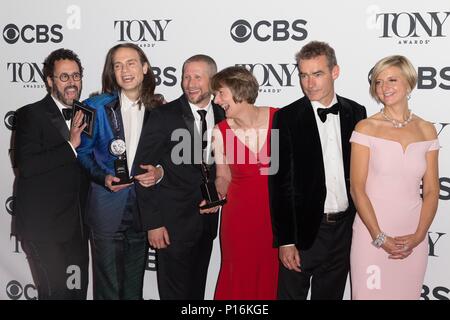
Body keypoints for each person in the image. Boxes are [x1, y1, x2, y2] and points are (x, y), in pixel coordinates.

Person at [268, 41, 367, 300]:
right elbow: (279, 185)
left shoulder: (356, 112)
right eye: (303, 75)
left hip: (344, 231)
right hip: (303, 232)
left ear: (335, 72)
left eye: (317, 74)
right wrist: (286, 241)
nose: (309, 83)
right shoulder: (285, 117)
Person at [134, 54, 225, 299]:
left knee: (196, 293)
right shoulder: (164, 115)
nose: (189, 83)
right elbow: (144, 170)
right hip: (171, 224)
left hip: (206, 223)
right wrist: (153, 223)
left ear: (213, 80)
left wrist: (218, 196)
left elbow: (224, 168)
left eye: (197, 77)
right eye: (186, 76)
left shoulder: (224, 114)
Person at [77, 43, 163, 299]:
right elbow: (80, 153)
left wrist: (159, 171)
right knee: (108, 290)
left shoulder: (161, 109)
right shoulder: (92, 106)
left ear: (145, 68)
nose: (125, 70)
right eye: (117, 65)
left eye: (131, 63)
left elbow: (169, 158)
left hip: (142, 209)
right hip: (107, 208)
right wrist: (102, 177)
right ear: (112, 72)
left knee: (133, 289)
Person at [349, 55, 439, 300]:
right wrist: (380, 237)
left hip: (413, 237)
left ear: (409, 83)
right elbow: (358, 189)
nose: (384, 87)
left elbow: (431, 190)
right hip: (372, 237)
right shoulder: (366, 128)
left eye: (391, 80)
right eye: (378, 82)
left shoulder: (427, 129)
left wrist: (420, 236)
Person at [14, 48, 89, 299]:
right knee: (55, 294)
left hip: (77, 230)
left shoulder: (88, 114)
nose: (72, 82)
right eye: (64, 76)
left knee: (77, 292)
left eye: (76, 76)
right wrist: (71, 146)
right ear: (49, 81)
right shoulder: (30, 114)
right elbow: (26, 166)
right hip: (43, 230)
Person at [201, 66, 279, 299]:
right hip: (239, 217)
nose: (216, 100)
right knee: (238, 276)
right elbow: (223, 176)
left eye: (220, 93)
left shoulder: (280, 118)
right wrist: (216, 196)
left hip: (275, 215)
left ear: (239, 90)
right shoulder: (220, 131)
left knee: (272, 274)